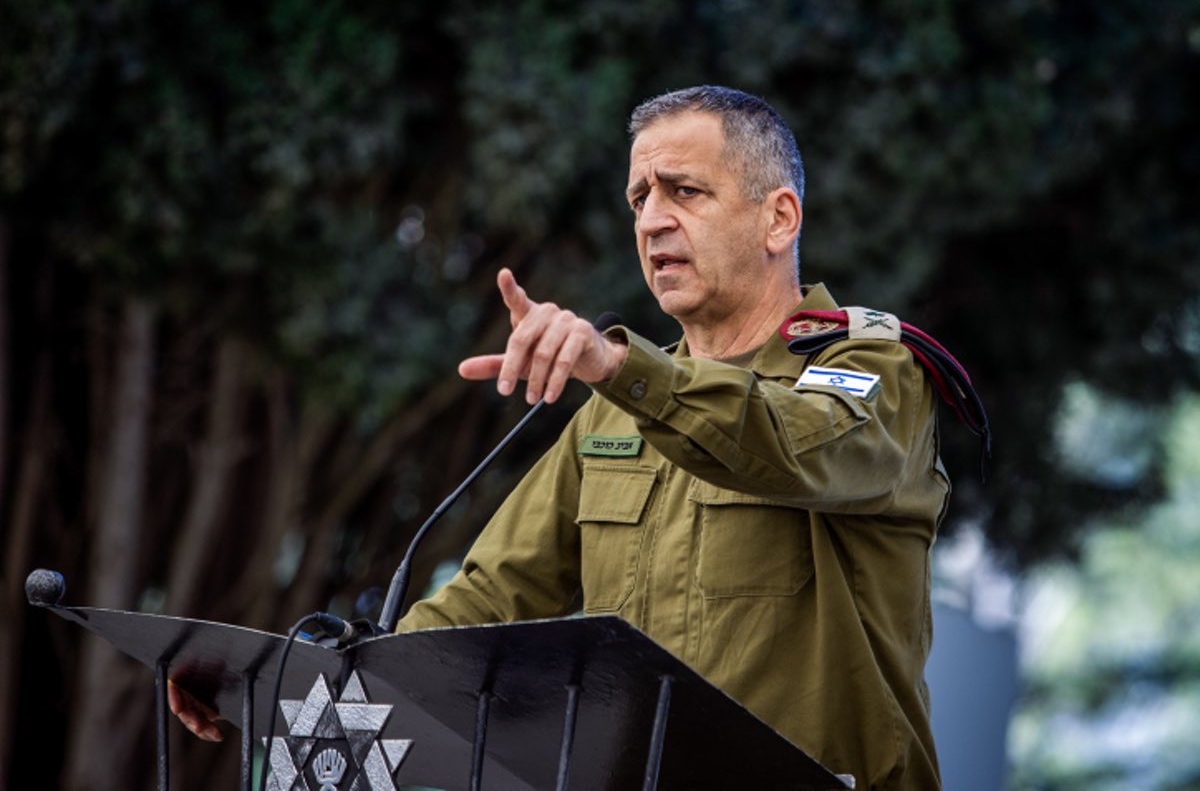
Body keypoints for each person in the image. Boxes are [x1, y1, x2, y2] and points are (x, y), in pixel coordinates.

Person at [174, 85, 950, 790]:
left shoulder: (876, 370)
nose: (651, 219)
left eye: (684, 190)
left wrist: (620, 367)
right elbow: (489, 597)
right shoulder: (615, 412)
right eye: (639, 197)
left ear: (778, 217)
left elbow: (797, 447)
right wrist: (287, 680)